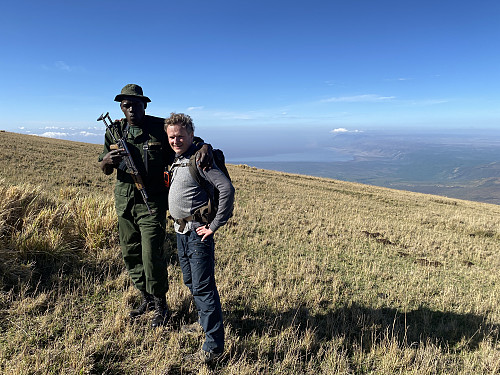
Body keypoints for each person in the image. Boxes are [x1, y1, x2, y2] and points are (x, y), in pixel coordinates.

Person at [98, 84, 211, 328]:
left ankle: (161, 305)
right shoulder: (115, 131)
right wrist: (107, 160)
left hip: (152, 203)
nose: (131, 109)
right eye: (126, 105)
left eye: (136, 104)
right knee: (131, 253)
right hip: (125, 202)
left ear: (144, 105)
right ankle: (146, 298)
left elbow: (190, 141)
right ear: (120, 106)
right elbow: (105, 168)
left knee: (151, 255)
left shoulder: (158, 128)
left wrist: (205, 147)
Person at [165, 113, 234, 363]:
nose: (175, 140)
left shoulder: (200, 160)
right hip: (180, 232)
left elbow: (226, 189)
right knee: (191, 282)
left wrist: (214, 225)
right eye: (171, 136)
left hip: (197, 234)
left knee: (204, 288)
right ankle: (204, 325)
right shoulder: (178, 158)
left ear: (192, 135)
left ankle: (214, 349)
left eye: (180, 136)